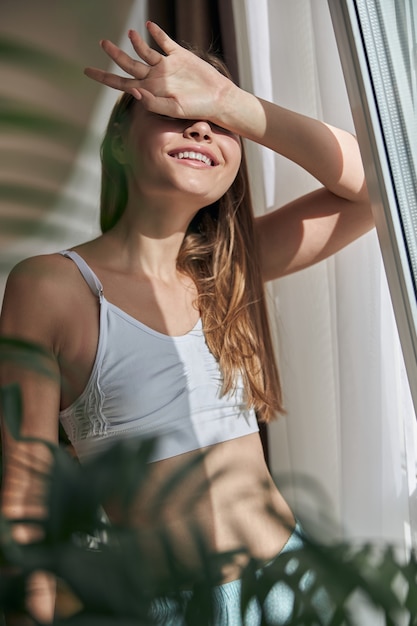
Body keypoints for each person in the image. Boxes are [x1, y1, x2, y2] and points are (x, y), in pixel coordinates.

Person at [0, 21, 374, 626]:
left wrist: (236, 104)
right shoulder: (51, 286)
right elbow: (26, 491)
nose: (200, 124)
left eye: (219, 123)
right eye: (175, 110)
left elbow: (381, 184)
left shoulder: (224, 275)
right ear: (119, 141)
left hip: (289, 586)